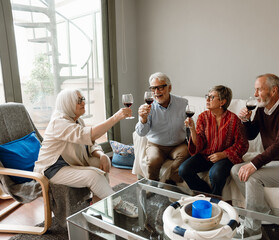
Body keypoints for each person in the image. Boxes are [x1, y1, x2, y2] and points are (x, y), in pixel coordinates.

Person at [33, 89, 138, 217]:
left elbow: (91, 142)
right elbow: (88, 134)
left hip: (69, 162)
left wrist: (102, 155)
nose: (83, 103)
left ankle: (98, 204)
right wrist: (117, 117)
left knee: (100, 163)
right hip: (52, 169)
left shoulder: (77, 120)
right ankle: (119, 204)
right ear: (67, 104)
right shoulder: (59, 122)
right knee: (93, 176)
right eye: (78, 101)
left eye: (82, 99)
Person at [231, 74, 279, 239]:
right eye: (255, 89)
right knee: (235, 170)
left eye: (259, 89)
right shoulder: (261, 109)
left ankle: (253, 230)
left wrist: (253, 164)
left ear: (274, 90)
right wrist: (245, 121)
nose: (255, 93)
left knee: (252, 177)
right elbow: (251, 135)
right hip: (274, 162)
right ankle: (264, 215)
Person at [179, 85, 249, 196]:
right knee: (183, 170)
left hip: (225, 158)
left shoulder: (233, 119)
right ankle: (207, 196)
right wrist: (192, 128)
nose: (207, 99)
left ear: (222, 102)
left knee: (215, 174)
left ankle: (215, 197)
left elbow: (242, 144)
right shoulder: (203, 117)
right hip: (205, 155)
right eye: (207, 96)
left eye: (212, 97)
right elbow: (199, 143)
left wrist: (224, 154)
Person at [135, 72, 189, 184]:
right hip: (156, 145)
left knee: (187, 152)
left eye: (160, 88)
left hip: (178, 145)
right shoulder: (147, 108)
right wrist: (143, 119)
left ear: (169, 88)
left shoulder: (183, 103)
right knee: (154, 160)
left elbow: (189, 126)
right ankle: (153, 185)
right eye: (153, 88)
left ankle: (171, 182)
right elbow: (141, 133)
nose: (156, 92)